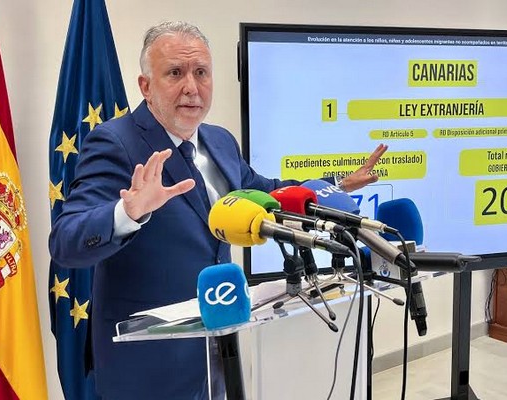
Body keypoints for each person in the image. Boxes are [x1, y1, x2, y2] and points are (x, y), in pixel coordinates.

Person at [49, 21, 388, 400]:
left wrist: (336, 184)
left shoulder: (219, 141)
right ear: (145, 86)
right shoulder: (115, 143)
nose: (191, 87)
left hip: (216, 351)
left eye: (201, 73)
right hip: (147, 364)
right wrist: (126, 214)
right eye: (175, 73)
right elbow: (65, 242)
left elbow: (267, 192)